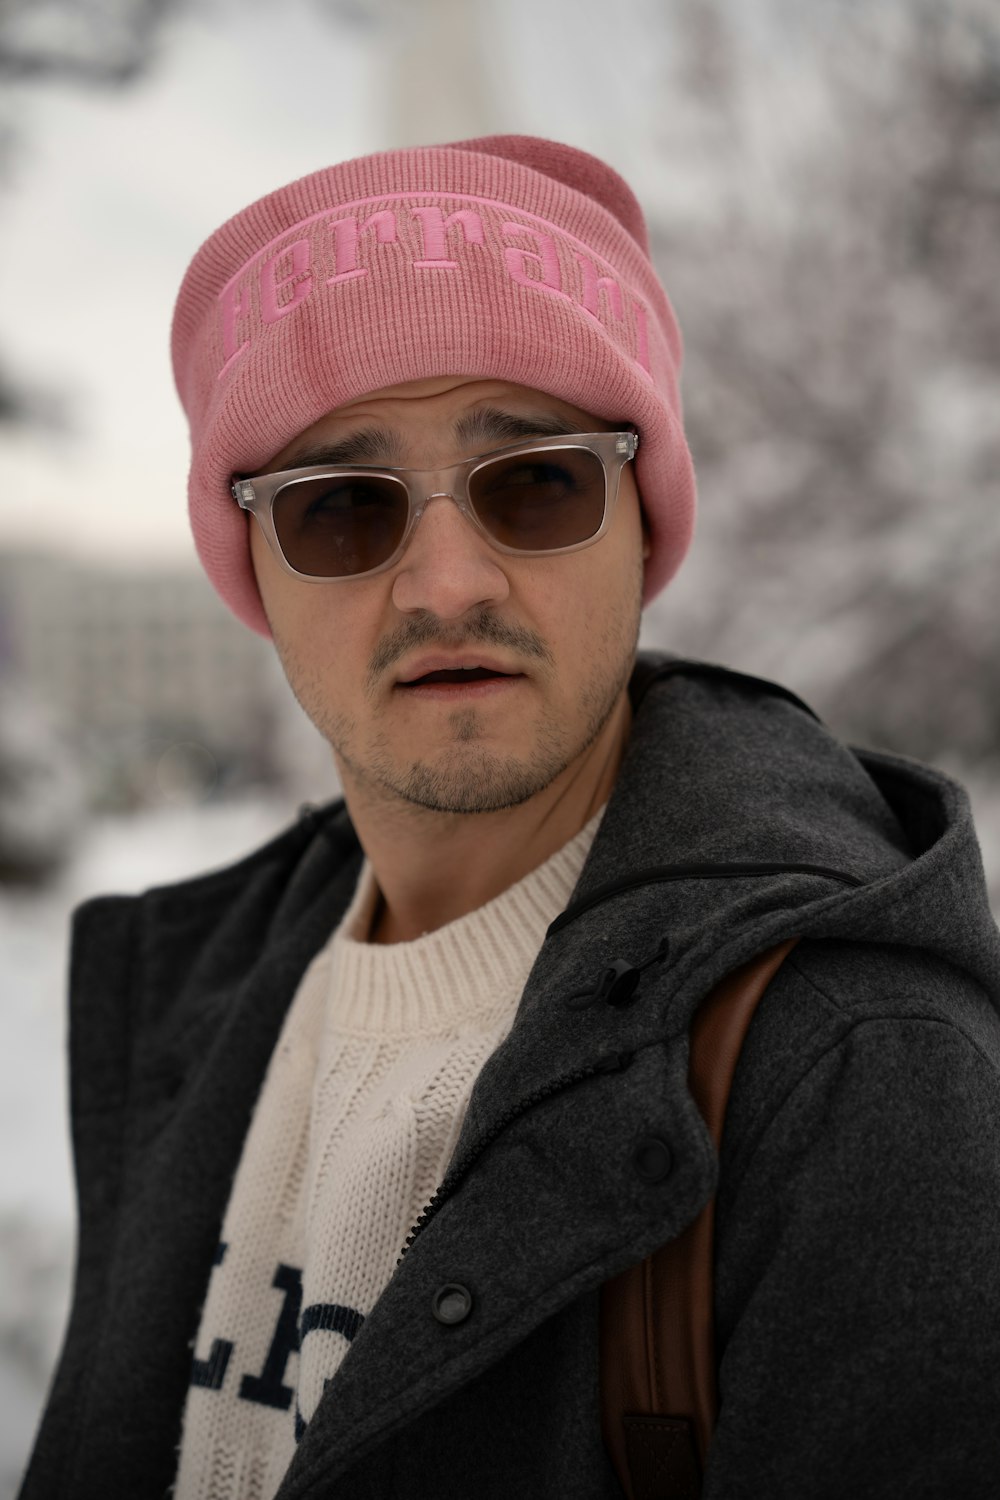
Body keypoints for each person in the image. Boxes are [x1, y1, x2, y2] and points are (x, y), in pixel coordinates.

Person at [19, 136, 1000, 1500]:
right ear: (251, 567)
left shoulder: (846, 1066)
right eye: (344, 510)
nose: (446, 582)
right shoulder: (200, 989)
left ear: (643, 528)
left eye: (536, 480)